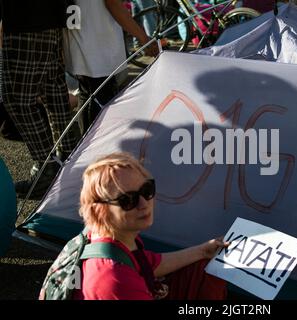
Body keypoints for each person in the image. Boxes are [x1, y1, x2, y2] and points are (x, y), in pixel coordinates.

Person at [73, 152, 228, 300]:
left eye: (146, 190)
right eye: (127, 200)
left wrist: (202, 251)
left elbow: (148, 263)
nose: (144, 204)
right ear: (99, 211)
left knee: (206, 266)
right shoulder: (116, 277)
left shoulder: (107, 234)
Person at [1, 0, 80, 199]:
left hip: (24, 21)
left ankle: (47, 169)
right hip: (49, 20)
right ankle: (71, 157)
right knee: (53, 93)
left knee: (18, 100)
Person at [64, 0, 157, 137]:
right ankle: (94, 148)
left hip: (84, 37)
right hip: (96, 42)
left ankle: (90, 146)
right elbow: (113, 3)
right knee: (98, 98)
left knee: (89, 94)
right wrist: (142, 37)